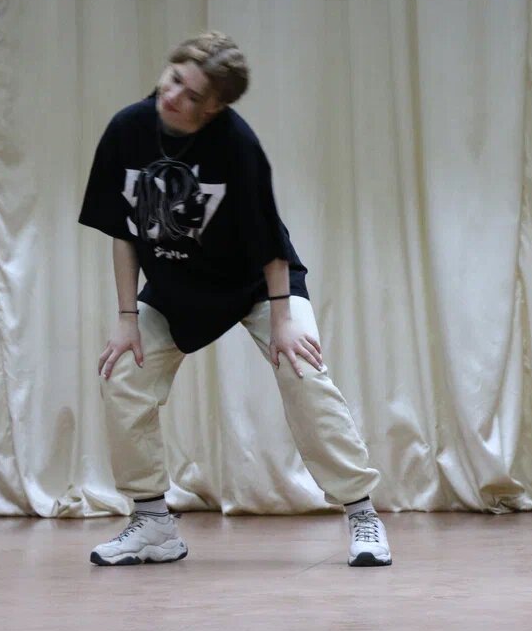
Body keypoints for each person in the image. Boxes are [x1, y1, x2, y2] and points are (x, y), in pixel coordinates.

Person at [79, 31, 390, 568]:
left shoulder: (237, 145)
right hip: (177, 286)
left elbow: (269, 241)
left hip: (256, 283)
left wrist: (283, 318)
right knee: (124, 375)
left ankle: (362, 512)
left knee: (303, 372)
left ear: (214, 107)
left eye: (192, 95)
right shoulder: (127, 129)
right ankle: (153, 523)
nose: (173, 95)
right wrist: (127, 317)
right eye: (174, 79)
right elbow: (123, 232)